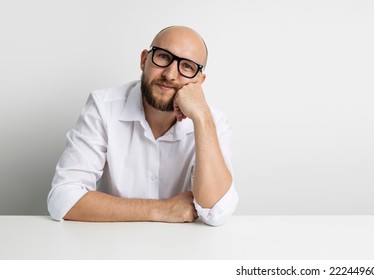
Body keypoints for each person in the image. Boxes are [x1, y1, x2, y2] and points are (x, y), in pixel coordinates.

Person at [47, 26, 238, 226]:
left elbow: (216, 212)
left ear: (199, 81)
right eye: (164, 57)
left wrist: (202, 117)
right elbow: (63, 199)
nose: (171, 74)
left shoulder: (212, 122)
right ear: (144, 60)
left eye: (187, 67)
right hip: (112, 247)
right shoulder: (103, 107)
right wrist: (162, 209)